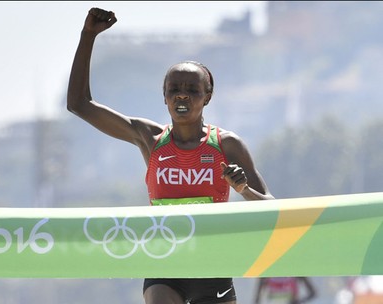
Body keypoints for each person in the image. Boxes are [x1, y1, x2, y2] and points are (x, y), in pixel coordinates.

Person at [67, 7, 275, 304]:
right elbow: (79, 104)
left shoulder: (227, 145)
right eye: (174, 88)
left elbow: (271, 209)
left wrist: (243, 190)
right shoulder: (149, 138)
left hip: (213, 265)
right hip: (164, 262)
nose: (182, 95)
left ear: (208, 96)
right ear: (164, 96)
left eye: (192, 89)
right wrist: (88, 36)